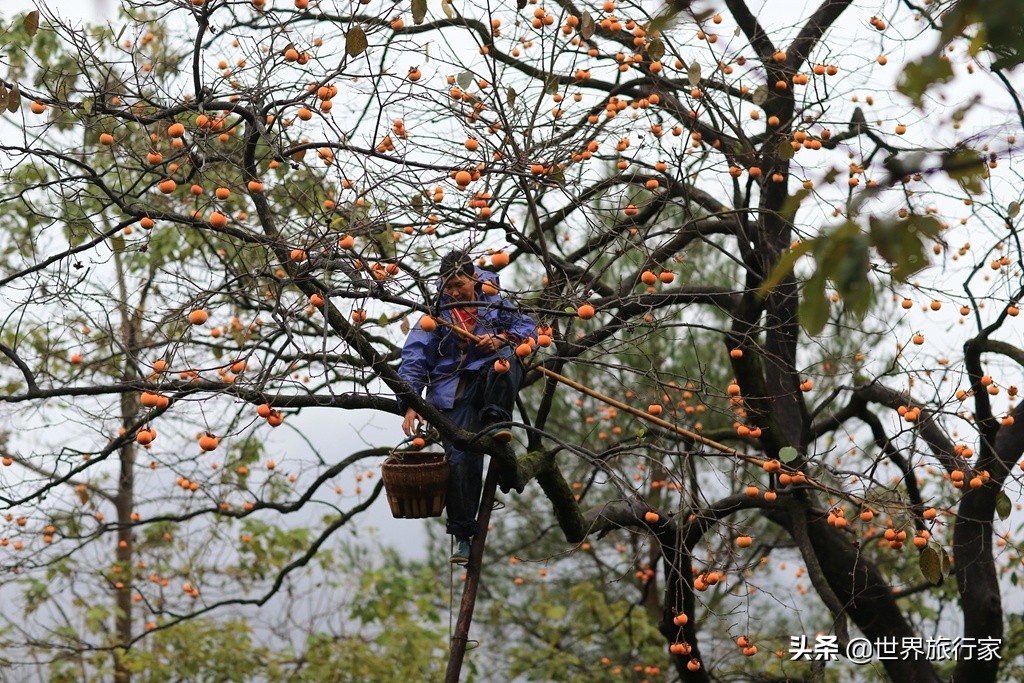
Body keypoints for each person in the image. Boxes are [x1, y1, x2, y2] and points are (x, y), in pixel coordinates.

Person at [397, 250, 536, 565]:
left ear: (474, 278)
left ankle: (497, 422)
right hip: (453, 390)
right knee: (461, 459)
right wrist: (410, 402)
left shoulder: (494, 300)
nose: (454, 291)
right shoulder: (438, 313)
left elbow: (530, 331)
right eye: (448, 285)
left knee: (508, 359)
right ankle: (462, 533)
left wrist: (501, 338)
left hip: (490, 380)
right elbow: (415, 357)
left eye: (459, 284)